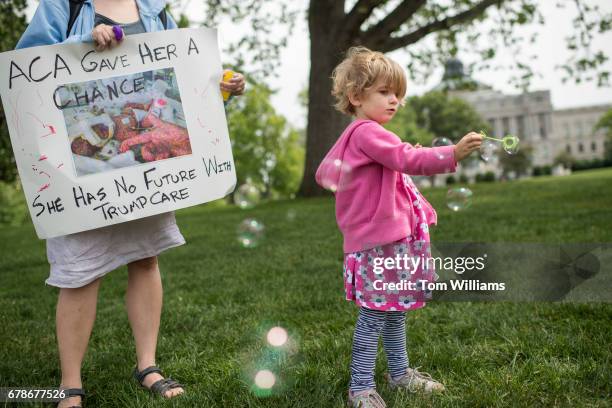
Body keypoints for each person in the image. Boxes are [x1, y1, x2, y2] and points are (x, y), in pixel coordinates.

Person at [16, 1, 245, 407]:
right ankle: (70, 385)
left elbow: (183, 84)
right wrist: (78, 46)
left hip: (143, 174)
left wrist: (219, 90)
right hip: (78, 176)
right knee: (80, 273)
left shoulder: (155, 11)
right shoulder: (62, 5)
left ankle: (147, 364)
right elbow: (24, 73)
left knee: (146, 259)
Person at [315, 46, 482, 408]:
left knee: (394, 309)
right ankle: (360, 387)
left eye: (398, 94)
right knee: (375, 313)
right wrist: (451, 153)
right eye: (385, 92)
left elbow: (393, 164)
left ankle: (400, 373)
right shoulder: (367, 133)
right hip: (380, 244)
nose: (395, 100)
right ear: (357, 96)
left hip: (388, 241)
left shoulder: (363, 135)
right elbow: (406, 157)